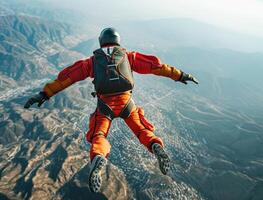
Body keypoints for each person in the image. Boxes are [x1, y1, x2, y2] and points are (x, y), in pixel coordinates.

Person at [24, 28, 199, 193]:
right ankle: (155, 145)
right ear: (117, 41)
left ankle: (99, 156)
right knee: (141, 129)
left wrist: (45, 94)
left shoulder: (91, 62)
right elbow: (157, 66)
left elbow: (67, 78)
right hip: (126, 102)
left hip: (105, 106)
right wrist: (180, 75)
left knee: (99, 134)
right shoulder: (129, 56)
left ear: (102, 42)